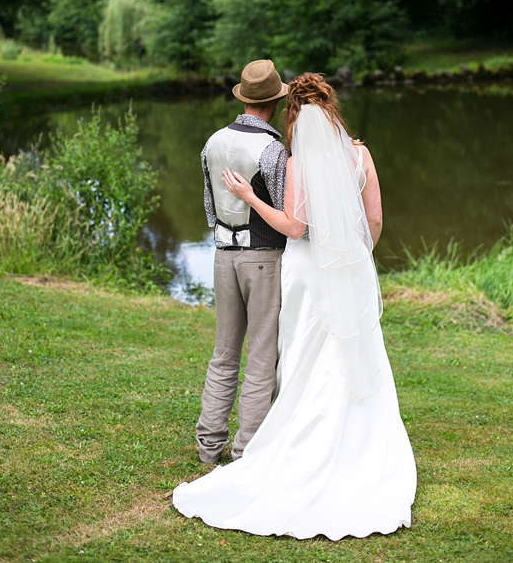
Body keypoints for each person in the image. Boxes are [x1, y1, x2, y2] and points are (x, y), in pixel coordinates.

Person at [173, 73, 416, 540]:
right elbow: (376, 219)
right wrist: (353, 257)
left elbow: (294, 226)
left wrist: (247, 197)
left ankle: (260, 440)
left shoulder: (298, 161)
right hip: (350, 268)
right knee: (354, 351)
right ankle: (359, 444)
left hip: (305, 272)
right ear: (333, 110)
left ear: (294, 116)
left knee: (303, 357)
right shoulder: (361, 154)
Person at [195, 59, 289, 464]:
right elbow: (288, 215)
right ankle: (247, 451)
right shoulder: (273, 150)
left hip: (222, 255)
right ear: (275, 104)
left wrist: (225, 236)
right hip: (263, 258)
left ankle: (209, 446)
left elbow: (209, 205)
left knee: (224, 353)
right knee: (262, 356)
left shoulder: (212, 141)